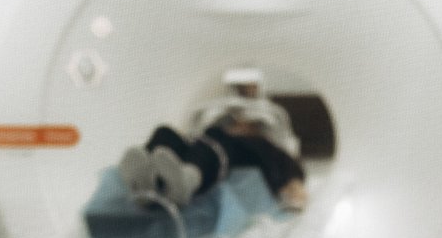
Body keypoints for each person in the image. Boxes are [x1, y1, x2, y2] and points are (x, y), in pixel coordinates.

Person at [119, 68, 307, 210]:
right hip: (202, 140)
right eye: (241, 86)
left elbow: (289, 167)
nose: (241, 122)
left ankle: (187, 181)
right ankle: (145, 181)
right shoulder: (220, 112)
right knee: (165, 132)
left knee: (214, 141)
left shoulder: (263, 139)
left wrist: (293, 188)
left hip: (226, 153)